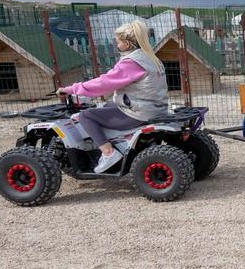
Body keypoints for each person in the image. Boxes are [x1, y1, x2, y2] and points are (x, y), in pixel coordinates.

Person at [57, 20, 169, 173]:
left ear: (127, 44)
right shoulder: (150, 57)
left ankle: (108, 152)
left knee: (86, 116)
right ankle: (118, 142)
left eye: (118, 42)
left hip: (140, 112)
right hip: (156, 107)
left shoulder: (131, 62)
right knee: (108, 106)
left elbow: (104, 83)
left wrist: (72, 89)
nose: (117, 45)